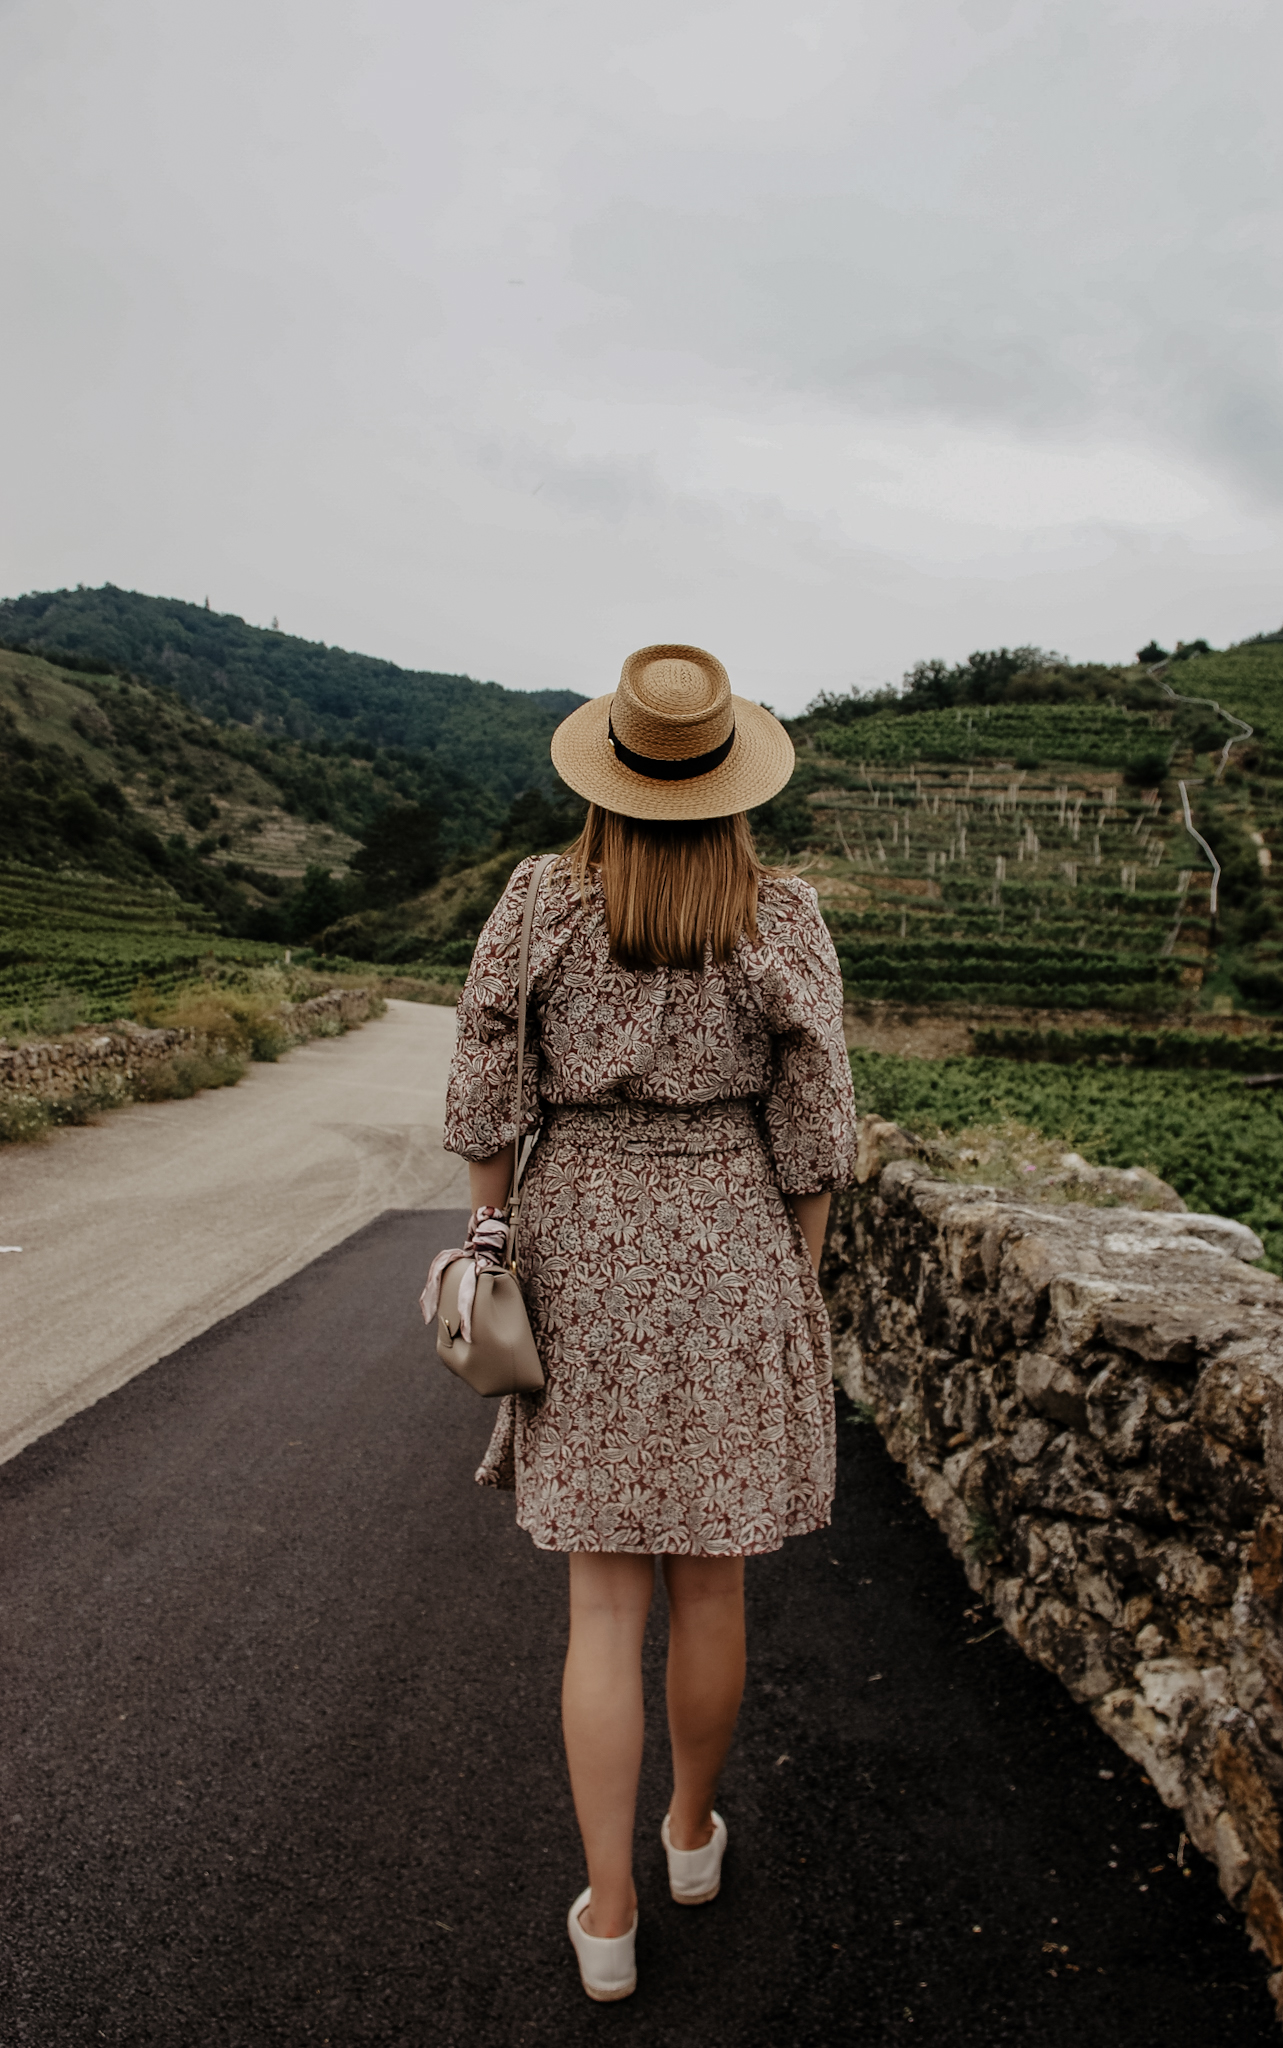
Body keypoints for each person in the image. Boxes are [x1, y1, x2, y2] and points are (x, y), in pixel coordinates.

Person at [442, 643, 856, 2002]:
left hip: (585, 1250)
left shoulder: (542, 900)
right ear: (732, 784)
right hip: (734, 1233)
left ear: (608, 776)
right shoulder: (782, 915)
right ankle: (689, 1838)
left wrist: (489, 1236)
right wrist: (790, 1284)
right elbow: (816, 1130)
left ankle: (609, 1917)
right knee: (715, 1577)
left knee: (605, 1603)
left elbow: (486, 1086)